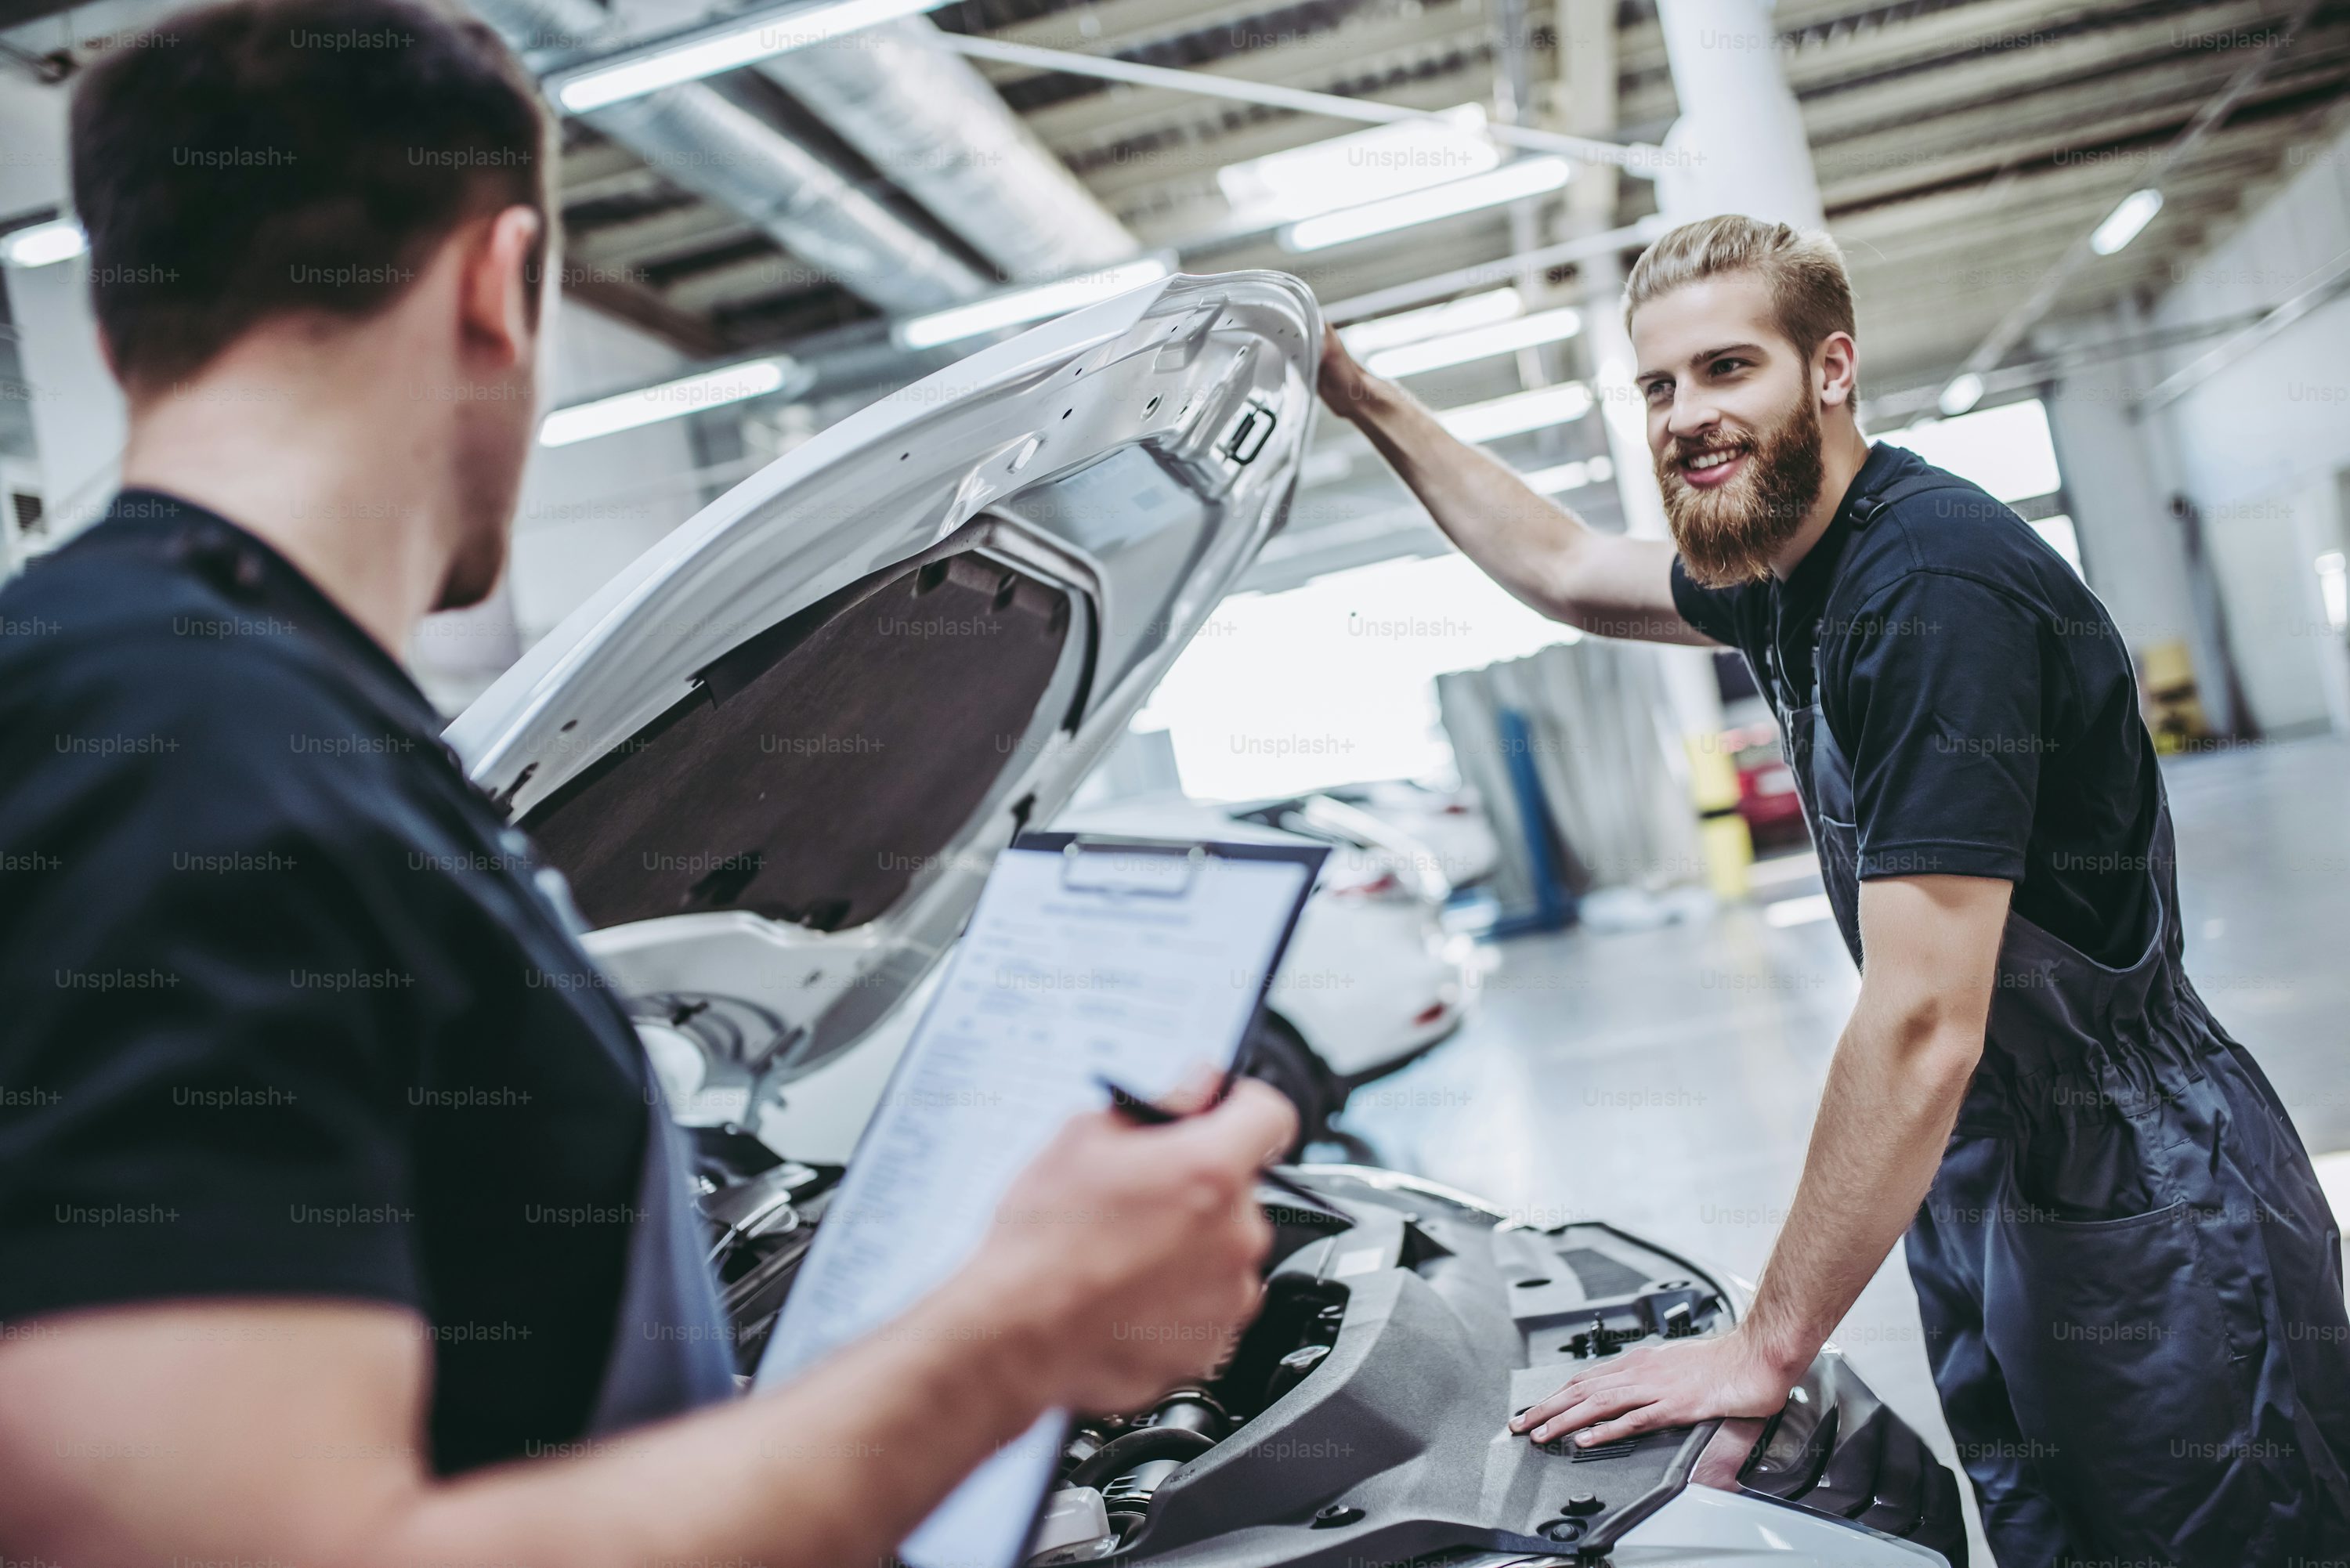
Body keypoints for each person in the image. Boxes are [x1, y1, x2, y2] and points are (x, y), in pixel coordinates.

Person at [0, 0, 1295, 1561]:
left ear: (115, 331)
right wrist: (1014, 1337)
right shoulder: (179, 735)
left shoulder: (229, 714)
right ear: (499, 284)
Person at [1318, 214, 2350, 1563]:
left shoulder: (1930, 587)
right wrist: (1358, 392)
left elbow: (1925, 1022)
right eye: (1659, 385)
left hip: (2144, 1187)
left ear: (1832, 371)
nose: (1688, 414)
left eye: (1729, 368)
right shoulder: (1796, 572)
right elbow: (1566, 570)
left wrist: (1766, 1345)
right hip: (2001, 1174)